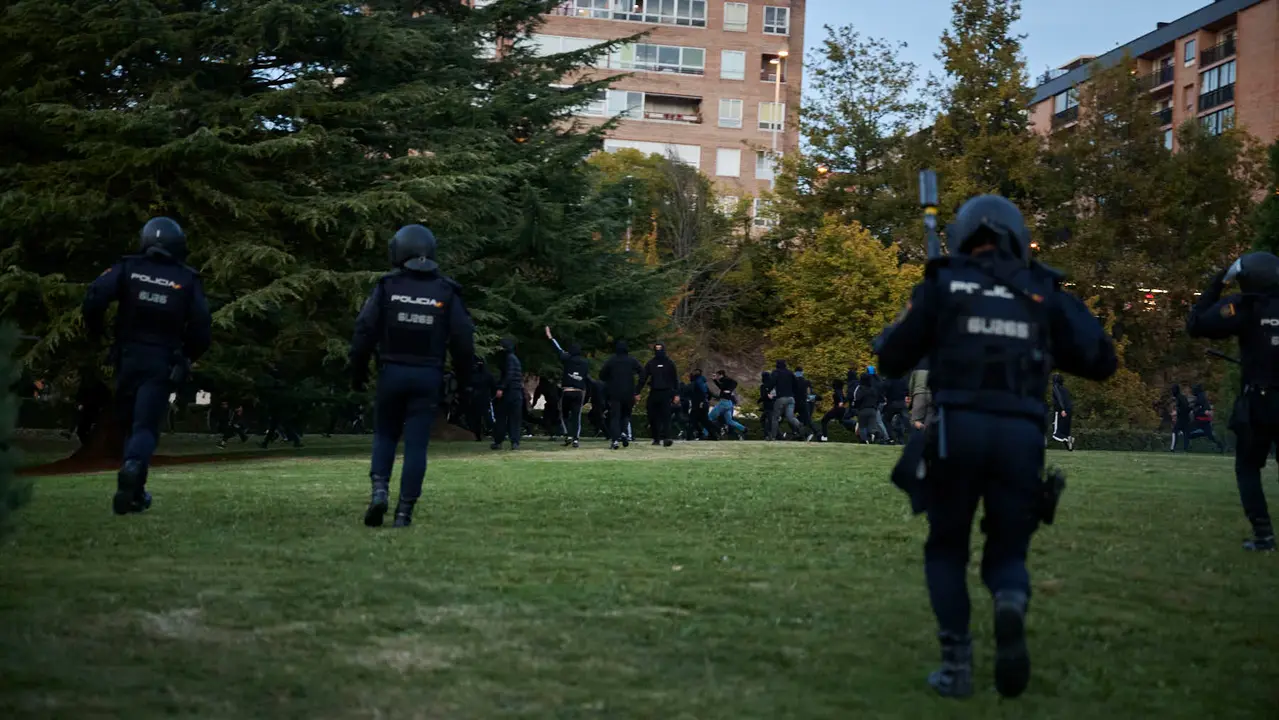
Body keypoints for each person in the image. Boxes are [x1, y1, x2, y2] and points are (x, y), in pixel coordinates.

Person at [875, 194, 1117, 699]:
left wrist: (930, 312)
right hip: (1021, 436)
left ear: (964, 235)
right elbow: (1100, 358)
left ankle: (956, 664)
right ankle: (1008, 599)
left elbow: (892, 358)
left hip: (956, 428)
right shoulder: (1042, 288)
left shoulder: (943, 282)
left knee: (947, 547)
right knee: (1008, 549)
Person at [83, 217, 212, 515]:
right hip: (161, 361)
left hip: (127, 357)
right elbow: (202, 328)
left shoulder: (128, 268)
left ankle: (133, 493)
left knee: (130, 423)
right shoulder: (186, 279)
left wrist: (97, 332)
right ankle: (133, 469)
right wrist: (186, 358)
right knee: (145, 427)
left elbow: (95, 296)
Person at [349, 224, 475, 528]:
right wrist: (465, 381)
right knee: (417, 445)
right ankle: (404, 513)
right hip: (427, 376)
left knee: (385, 435)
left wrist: (357, 371)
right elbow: (462, 339)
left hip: (392, 372)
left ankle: (380, 490)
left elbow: (365, 330)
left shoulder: (387, 287)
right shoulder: (445, 291)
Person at [1187, 251, 1279, 550]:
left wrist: (1218, 282)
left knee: (1248, 467)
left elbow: (1197, 323)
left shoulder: (1245, 306)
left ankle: (1264, 534)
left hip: (1260, 401)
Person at [546, 327, 590, 448]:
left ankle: (568, 434)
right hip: (579, 392)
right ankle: (575, 438)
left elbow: (558, 349)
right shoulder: (585, 362)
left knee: (564, 414)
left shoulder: (567, 359)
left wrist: (550, 337)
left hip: (567, 391)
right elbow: (586, 378)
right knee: (576, 416)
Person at [600, 340, 642, 450]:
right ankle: (623, 432)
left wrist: (609, 380)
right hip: (629, 392)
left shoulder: (611, 361)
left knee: (615, 416)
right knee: (626, 415)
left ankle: (615, 440)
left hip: (614, 392)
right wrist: (637, 389)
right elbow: (642, 372)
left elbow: (602, 375)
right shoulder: (632, 361)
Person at [639, 342, 679, 446]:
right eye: (656, 349)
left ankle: (667, 437)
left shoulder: (669, 363)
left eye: (660, 349)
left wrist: (676, 394)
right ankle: (656, 438)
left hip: (666, 392)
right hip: (654, 392)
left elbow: (675, 380)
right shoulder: (651, 363)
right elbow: (643, 378)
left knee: (666, 416)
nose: (658, 351)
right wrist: (637, 391)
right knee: (652, 416)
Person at [490, 337, 523, 451]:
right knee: (515, 418)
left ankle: (498, 441)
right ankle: (515, 442)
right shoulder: (515, 359)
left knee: (501, 417)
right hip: (517, 392)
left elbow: (509, 374)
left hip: (509, 392)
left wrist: (501, 388)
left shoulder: (508, 359)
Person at [1186, 383, 1226, 453]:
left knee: (1188, 432)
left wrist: (1194, 409)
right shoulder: (1202, 397)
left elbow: (1198, 408)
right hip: (1204, 420)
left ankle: (1186, 447)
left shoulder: (1200, 398)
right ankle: (1221, 446)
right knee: (1210, 436)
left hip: (1200, 420)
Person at [709, 370, 747, 439]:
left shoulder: (725, 379)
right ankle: (744, 429)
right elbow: (721, 387)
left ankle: (704, 434)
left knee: (710, 417)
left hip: (724, 403)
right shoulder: (724, 381)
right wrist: (715, 380)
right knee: (729, 421)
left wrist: (730, 390)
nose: (717, 377)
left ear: (721, 375)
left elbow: (734, 383)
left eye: (717, 375)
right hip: (729, 403)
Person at [467, 358, 496, 442]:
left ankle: (481, 435)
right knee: (481, 418)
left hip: (481, 399)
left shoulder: (475, 375)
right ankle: (480, 435)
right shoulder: (484, 375)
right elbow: (493, 387)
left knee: (484, 418)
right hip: (479, 399)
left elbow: (493, 387)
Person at [851, 372, 881, 444]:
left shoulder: (860, 388)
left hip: (863, 409)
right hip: (873, 409)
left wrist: (855, 406)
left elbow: (857, 399)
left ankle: (864, 440)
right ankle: (873, 434)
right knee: (871, 425)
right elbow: (878, 399)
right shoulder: (873, 389)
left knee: (862, 426)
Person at [1049, 374, 1075, 451]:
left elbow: (1059, 398)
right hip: (1069, 410)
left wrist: (1062, 409)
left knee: (1056, 433)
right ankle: (1069, 445)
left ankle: (1068, 439)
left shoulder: (1055, 388)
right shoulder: (1065, 390)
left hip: (1061, 411)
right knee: (1065, 431)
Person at [882, 374, 909, 445]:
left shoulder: (889, 379)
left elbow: (885, 389)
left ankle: (891, 437)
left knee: (886, 420)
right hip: (902, 403)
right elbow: (907, 390)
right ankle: (903, 439)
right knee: (905, 421)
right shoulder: (903, 379)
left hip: (892, 403)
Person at [795, 367, 818, 438]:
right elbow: (810, 396)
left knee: (802, 420)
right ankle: (804, 434)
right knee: (805, 420)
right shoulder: (806, 382)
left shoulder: (795, 381)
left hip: (800, 404)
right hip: (806, 403)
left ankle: (802, 434)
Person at [1169, 384, 1192, 452]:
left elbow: (1183, 408)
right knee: (1186, 434)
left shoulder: (1179, 398)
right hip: (1186, 419)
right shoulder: (1183, 397)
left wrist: (1177, 412)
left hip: (1182, 419)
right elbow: (1187, 407)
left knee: (1174, 431)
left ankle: (1172, 448)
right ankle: (1186, 449)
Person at [759, 371, 775, 440]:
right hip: (773, 405)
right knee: (768, 420)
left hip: (767, 406)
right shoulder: (773, 385)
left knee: (765, 420)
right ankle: (769, 435)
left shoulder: (763, 386)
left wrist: (760, 400)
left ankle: (769, 435)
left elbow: (764, 396)